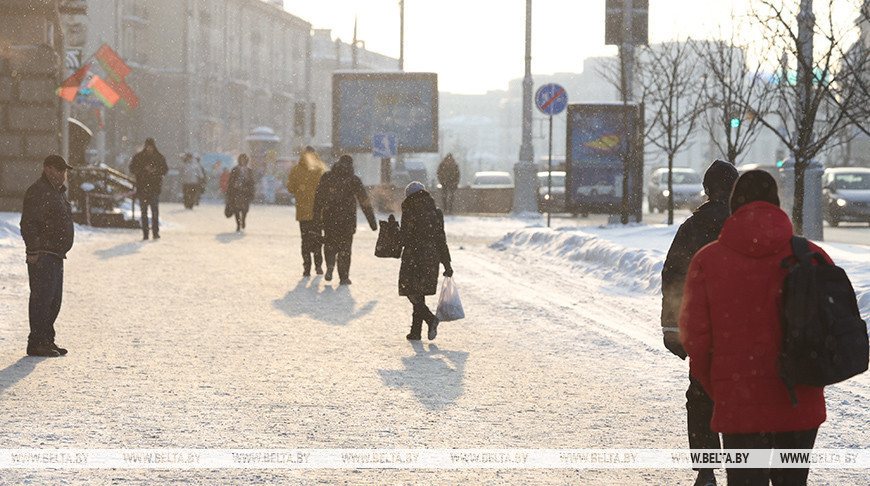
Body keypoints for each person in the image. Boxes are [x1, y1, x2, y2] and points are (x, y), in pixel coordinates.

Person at [679, 170, 829, 486]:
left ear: (735, 204)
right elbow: (834, 330)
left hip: (739, 406)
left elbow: (696, 339)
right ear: (777, 203)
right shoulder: (811, 257)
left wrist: (719, 389)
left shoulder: (708, 260)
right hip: (799, 403)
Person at [661, 160, 738, 486]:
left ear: (707, 190)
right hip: (748, 329)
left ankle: (707, 471)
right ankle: (745, 470)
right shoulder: (746, 225)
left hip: (706, 331)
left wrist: (672, 328)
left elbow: (674, 276)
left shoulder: (693, 228)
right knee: (743, 398)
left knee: (702, 398)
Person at [20, 155, 75, 357]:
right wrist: (33, 250)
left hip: (55, 253)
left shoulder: (56, 192)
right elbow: (29, 223)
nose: (62, 174)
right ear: (47, 169)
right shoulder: (38, 191)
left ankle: (46, 339)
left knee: (53, 300)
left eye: (64, 170)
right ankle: (36, 342)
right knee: (42, 299)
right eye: (58, 169)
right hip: (43, 253)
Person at [398, 181, 453, 341]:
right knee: (419, 292)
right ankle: (416, 331)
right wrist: (447, 263)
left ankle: (430, 319)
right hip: (431, 257)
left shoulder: (410, 211)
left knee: (410, 291)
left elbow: (405, 237)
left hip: (413, 256)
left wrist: (394, 232)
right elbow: (441, 239)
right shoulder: (436, 212)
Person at [312, 154, 377, 285]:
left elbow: (318, 199)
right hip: (348, 219)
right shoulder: (354, 180)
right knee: (345, 249)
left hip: (330, 218)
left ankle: (330, 265)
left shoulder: (327, 177)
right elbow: (364, 202)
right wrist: (372, 222)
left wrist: (316, 219)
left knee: (330, 244)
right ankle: (344, 277)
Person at [287, 146, 328, 277]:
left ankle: (306, 267)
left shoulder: (296, 169)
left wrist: (301, 188)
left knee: (305, 240)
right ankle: (318, 265)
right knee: (317, 238)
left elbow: (291, 188)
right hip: (318, 212)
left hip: (303, 212)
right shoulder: (321, 169)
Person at [129, 137, 168, 240]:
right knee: (144, 212)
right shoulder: (139, 157)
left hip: (153, 188)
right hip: (143, 188)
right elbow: (132, 169)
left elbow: (164, 170)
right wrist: (144, 170)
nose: (149, 149)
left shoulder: (158, 158)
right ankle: (145, 233)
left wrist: (155, 171)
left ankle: (155, 232)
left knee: (154, 212)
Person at [226, 153, 256, 232]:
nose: (243, 161)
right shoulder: (235, 169)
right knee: (236, 209)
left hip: (245, 192)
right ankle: (238, 224)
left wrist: (250, 190)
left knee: (244, 209)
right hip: (236, 192)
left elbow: (252, 182)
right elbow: (231, 180)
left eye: (244, 159)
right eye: (241, 159)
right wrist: (232, 188)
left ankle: (243, 219)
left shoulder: (249, 170)